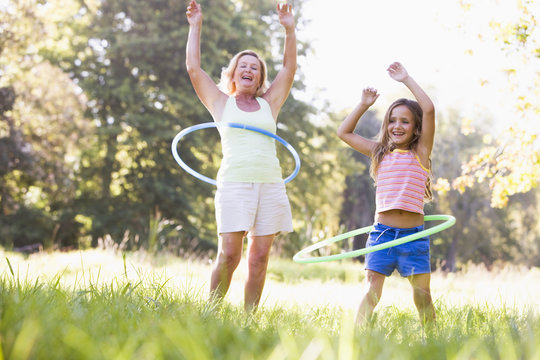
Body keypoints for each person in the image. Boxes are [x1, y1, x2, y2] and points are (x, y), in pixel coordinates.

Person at [185, 0, 296, 312]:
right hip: (235, 182)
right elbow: (194, 69)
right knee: (230, 254)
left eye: (255, 67)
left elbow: (288, 69)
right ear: (233, 73)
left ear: (260, 78)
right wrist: (196, 26)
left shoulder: (269, 103)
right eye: (243, 65)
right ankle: (211, 313)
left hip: (271, 184)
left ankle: (249, 320)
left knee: (259, 258)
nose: (249, 69)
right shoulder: (221, 103)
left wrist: (289, 29)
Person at [337, 62, 436, 325]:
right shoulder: (379, 153)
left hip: (414, 237)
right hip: (382, 234)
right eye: (392, 121)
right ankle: (356, 337)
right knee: (371, 292)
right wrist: (363, 105)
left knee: (422, 295)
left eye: (405, 121)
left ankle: (433, 340)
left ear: (416, 128)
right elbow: (343, 132)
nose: (397, 126)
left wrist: (406, 79)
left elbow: (428, 109)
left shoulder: (421, 153)